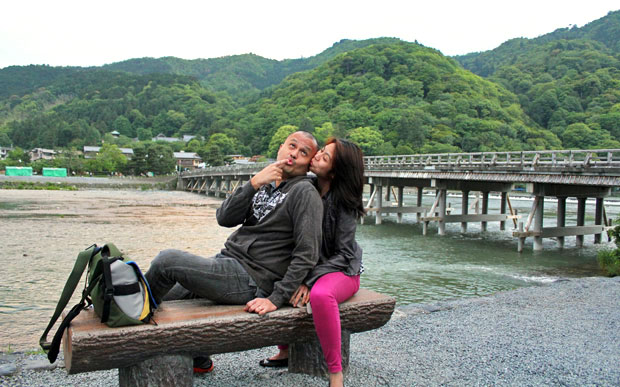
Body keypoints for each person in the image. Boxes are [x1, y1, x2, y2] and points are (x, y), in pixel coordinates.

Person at [145, 131, 323, 373]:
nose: (294, 154)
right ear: (281, 147)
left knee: (167, 262)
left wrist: (275, 299)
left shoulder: (305, 193)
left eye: (304, 153)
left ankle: (126, 317)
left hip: (251, 278)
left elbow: (307, 253)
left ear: (309, 163)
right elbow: (224, 218)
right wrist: (253, 184)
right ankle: (198, 357)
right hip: (227, 263)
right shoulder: (266, 184)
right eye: (292, 146)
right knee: (164, 300)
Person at [258, 138, 365, 387]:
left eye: (324, 157)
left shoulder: (344, 202)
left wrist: (309, 278)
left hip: (342, 269)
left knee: (320, 295)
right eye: (321, 152)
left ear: (336, 171)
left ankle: (335, 373)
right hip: (312, 265)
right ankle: (285, 350)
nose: (316, 157)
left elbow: (345, 254)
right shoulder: (306, 186)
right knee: (274, 276)